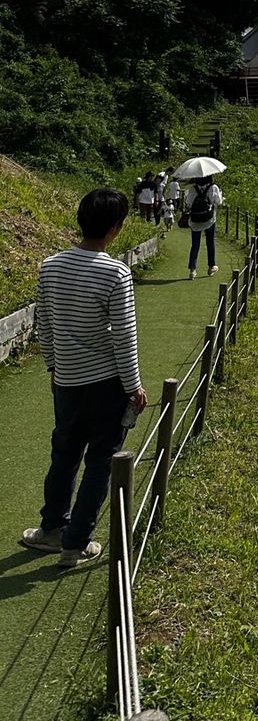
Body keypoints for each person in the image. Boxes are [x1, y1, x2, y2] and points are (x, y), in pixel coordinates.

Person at [20, 188, 146, 568]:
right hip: (106, 384)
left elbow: (44, 323)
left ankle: (52, 529)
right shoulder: (115, 272)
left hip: (66, 381)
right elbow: (125, 337)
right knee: (99, 461)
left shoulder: (50, 265)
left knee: (64, 455)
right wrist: (133, 385)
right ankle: (75, 544)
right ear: (114, 228)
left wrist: (55, 369)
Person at [182, 175, 224, 280]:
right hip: (209, 219)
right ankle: (211, 266)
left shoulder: (192, 189)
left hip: (195, 220)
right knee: (210, 242)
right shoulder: (213, 188)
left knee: (195, 245)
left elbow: (188, 203)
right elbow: (218, 202)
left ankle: (192, 270)